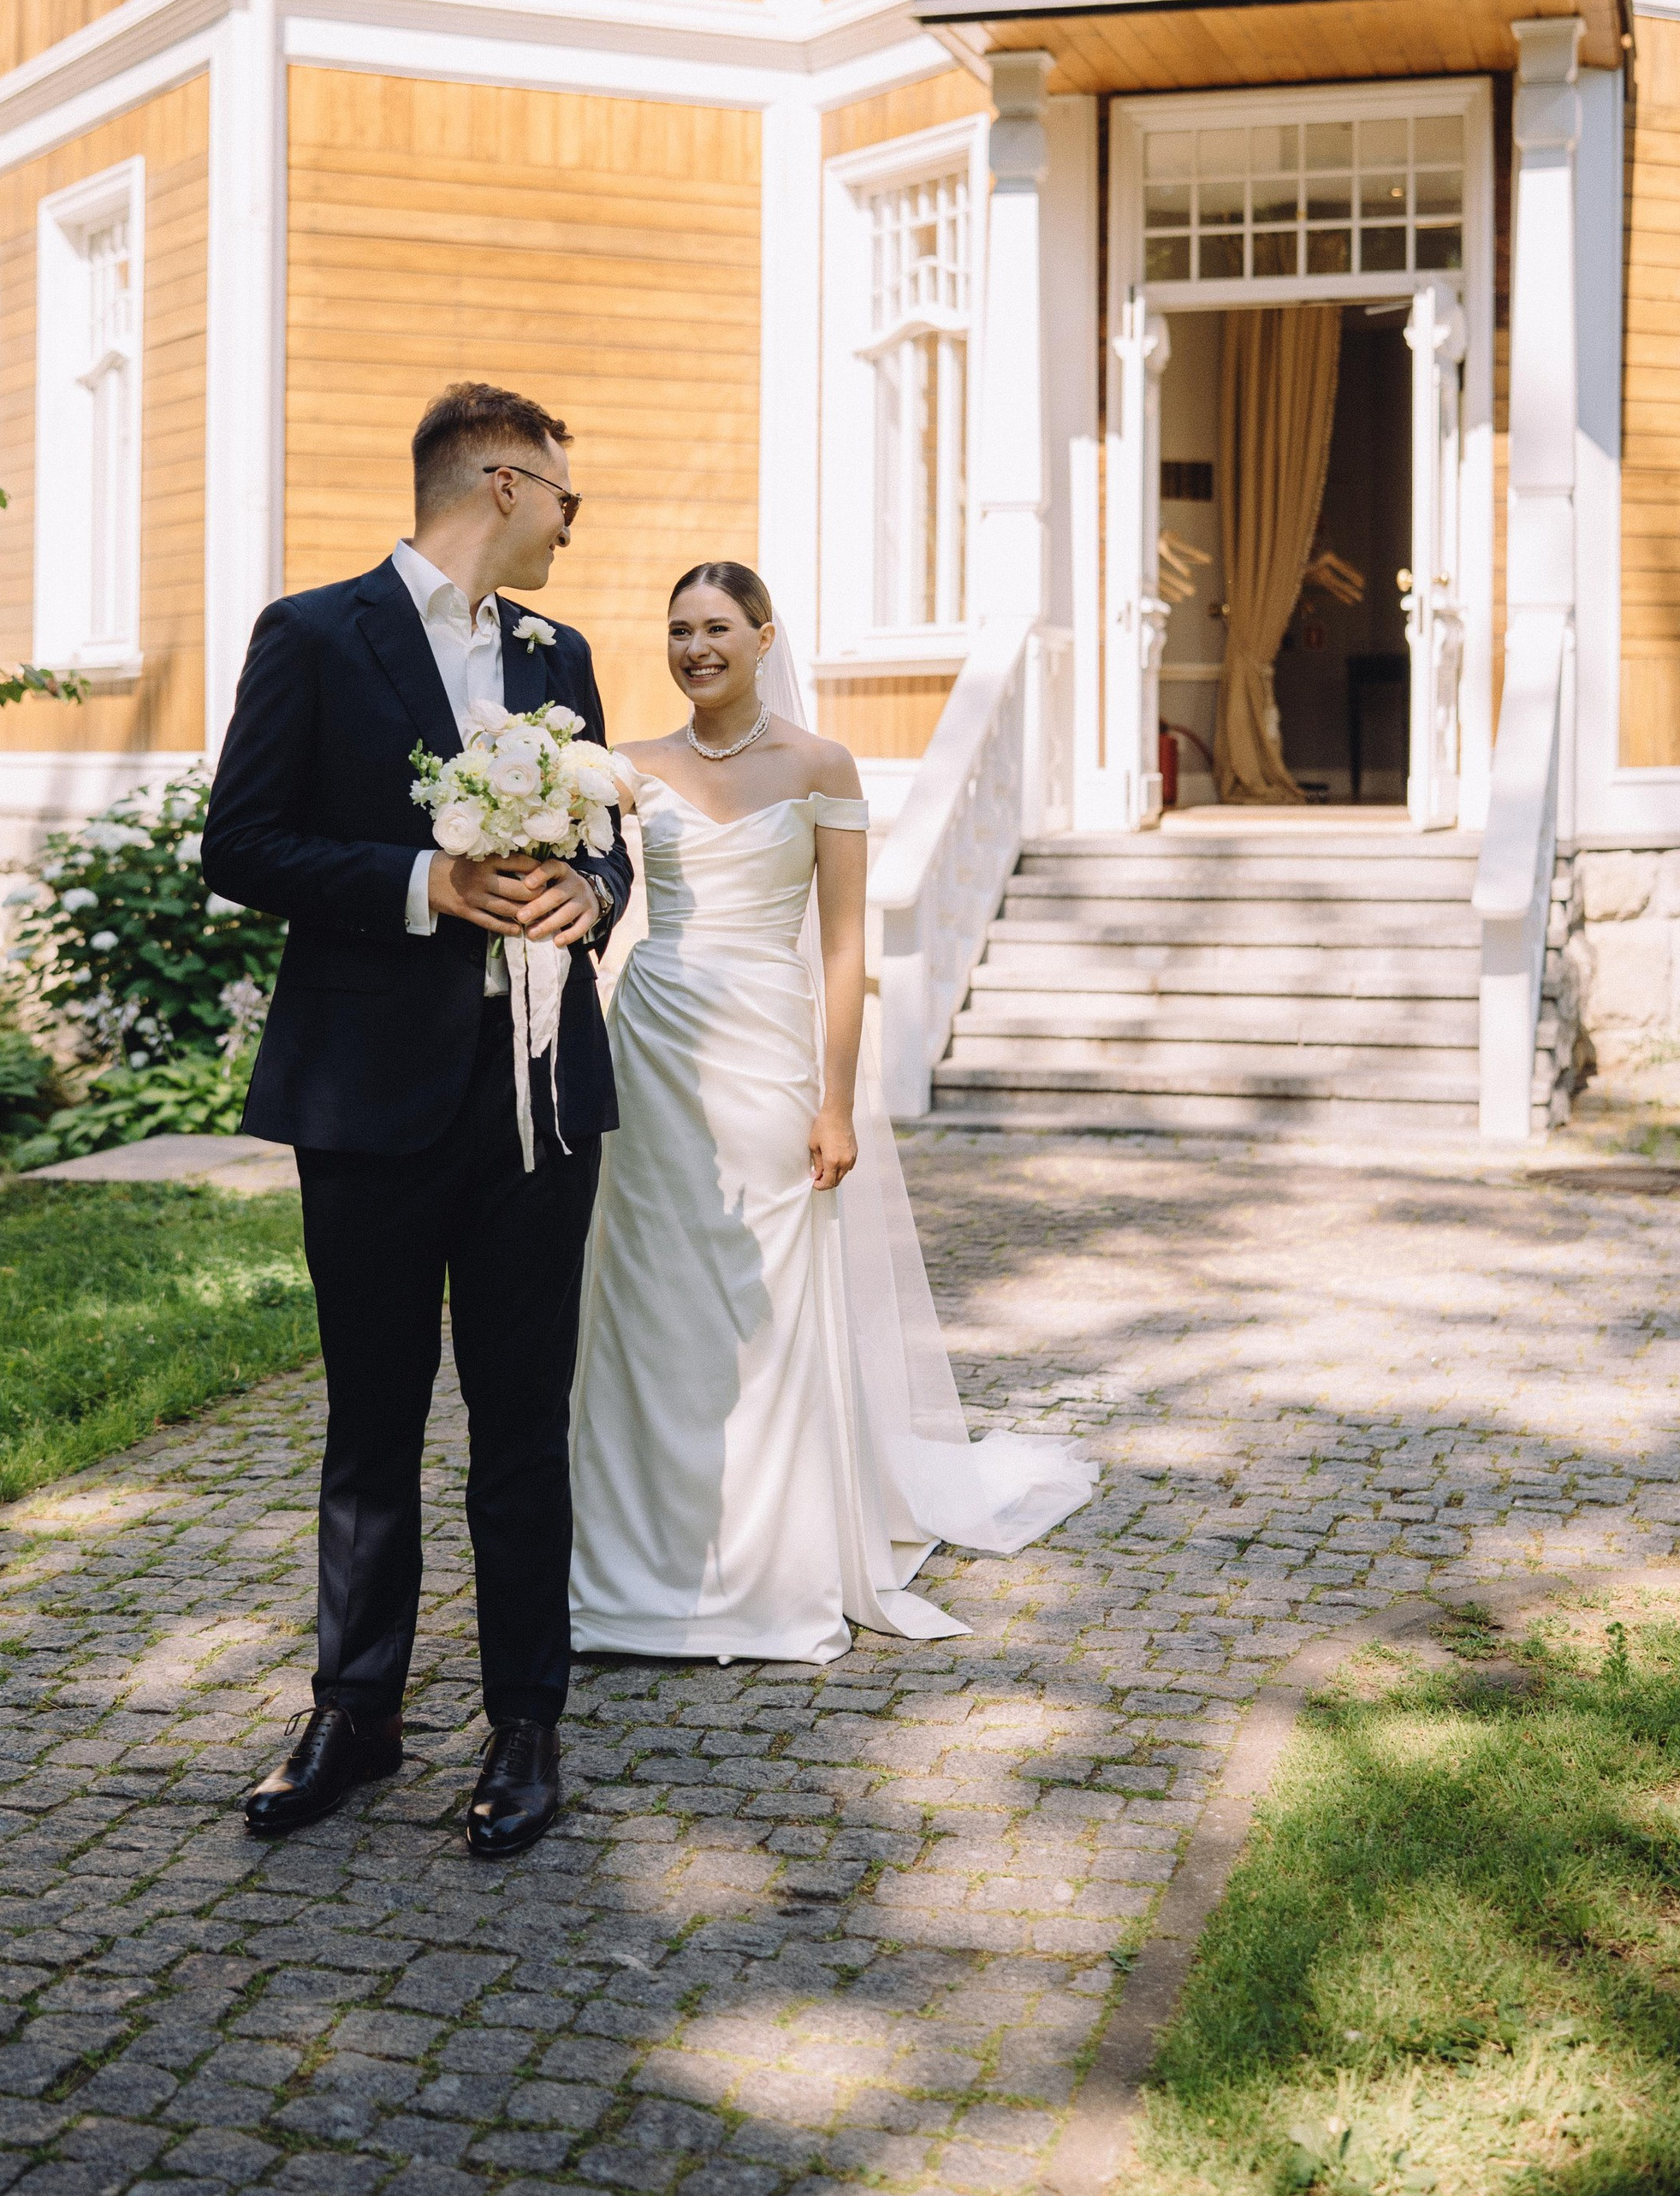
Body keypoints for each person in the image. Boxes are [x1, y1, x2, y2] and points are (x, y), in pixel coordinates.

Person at [200, 383, 632, 1858]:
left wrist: (594, 896)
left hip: (539, 1106)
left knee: (523, 1423)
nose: (575, 527)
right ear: (505, 483)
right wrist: (422, 884)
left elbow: (612, 843)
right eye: (567, 498)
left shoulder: (559, 654)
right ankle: (356, 1713)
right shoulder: (313, 635)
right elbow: (240, 843)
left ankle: (526, 1724)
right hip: (373, 1096)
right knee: (371, 1421)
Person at [568, 562, 1096, 1665]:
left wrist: (838, 1101)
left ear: (766, 637)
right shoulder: (631, 769)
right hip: (654, 1042)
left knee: (762, 1302)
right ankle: (632, 1560)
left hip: (769, 1048)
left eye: (717, 628)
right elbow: (583, 877)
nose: (695, 647)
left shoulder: (822, 766)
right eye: (678, 631)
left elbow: (848, 946)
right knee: (644, 1294)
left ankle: (769, 1563)